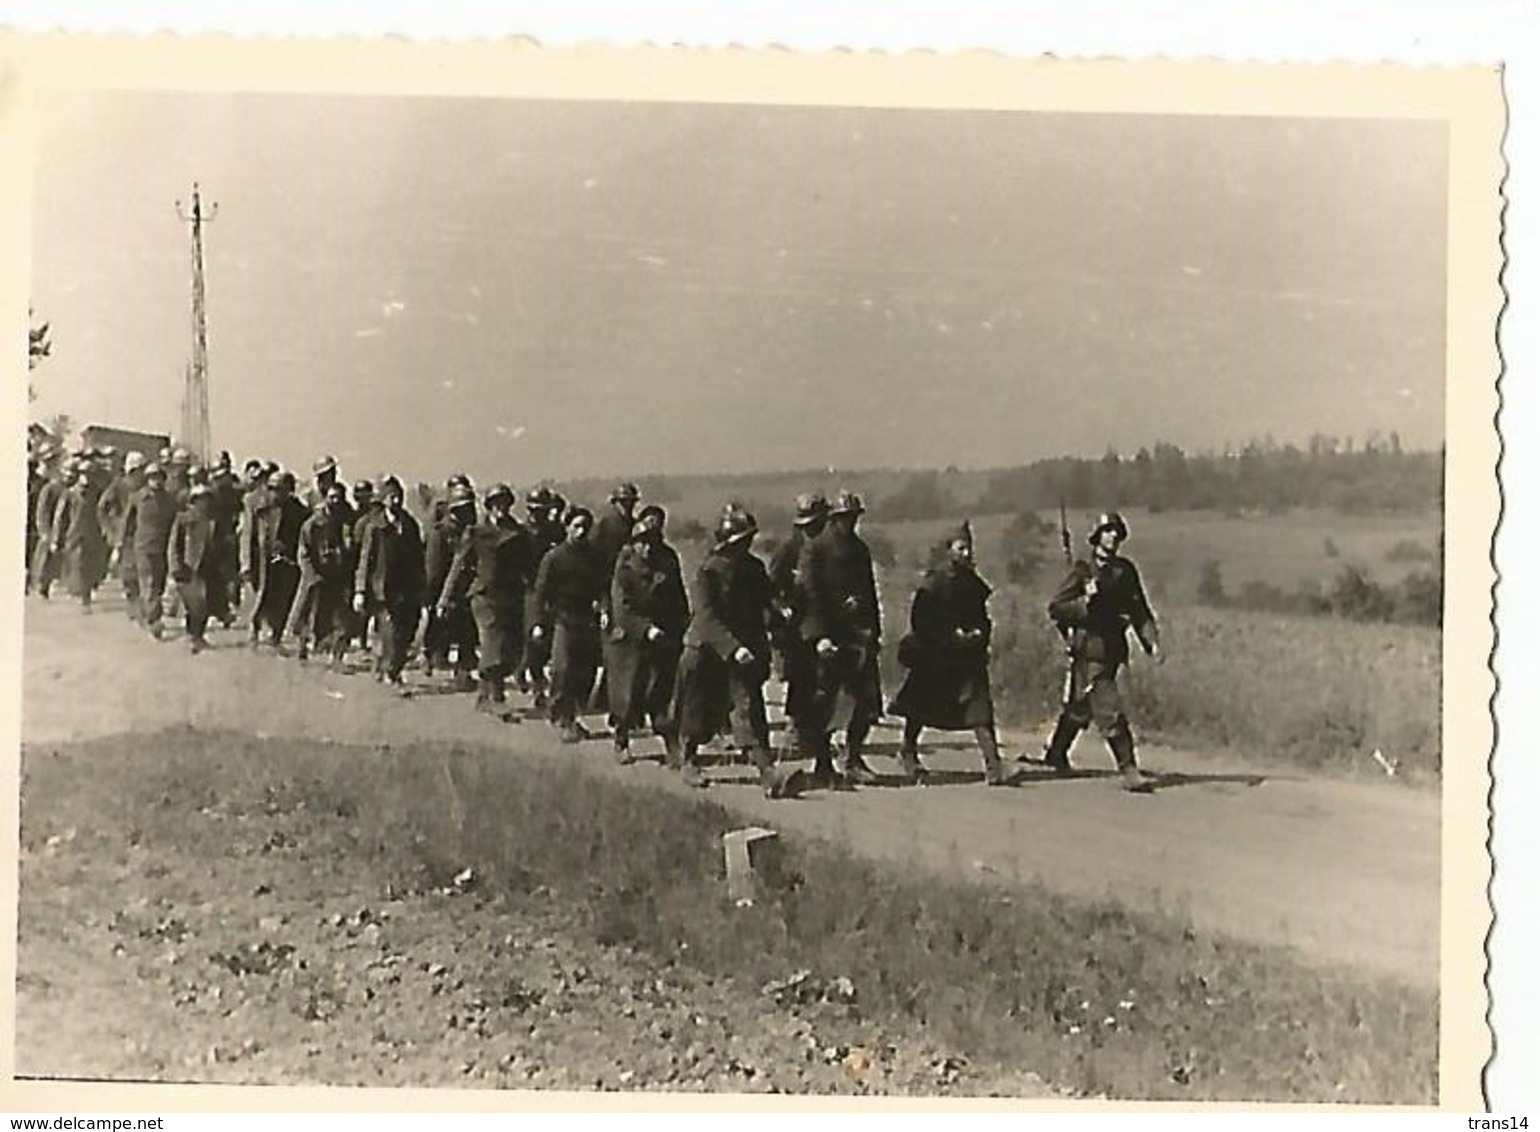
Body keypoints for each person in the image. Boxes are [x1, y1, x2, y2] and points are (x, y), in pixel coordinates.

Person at [668, 507, 790, 796]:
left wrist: (781, 613)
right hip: (706, 648)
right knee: (697, 708)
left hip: (742, 651)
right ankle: (689, 760)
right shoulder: (708, 572)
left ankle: (767, 772)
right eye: (741, 540)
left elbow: (767, 598)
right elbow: (706, 617)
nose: (746, 545)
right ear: (727, 542)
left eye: (748, 539)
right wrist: (733, 647)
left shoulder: (754, 569)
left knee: (748, 708)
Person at [1042, 511, 1165, 792]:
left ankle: (1056, 753)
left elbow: (1139, 610)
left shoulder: (1125, 571)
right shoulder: (1083, 570)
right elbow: (1056, 607)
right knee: (1109, 707)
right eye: (1107, 531)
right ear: (1096, 536)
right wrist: (1085, 600)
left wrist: (1151, 642)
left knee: (1080, 706)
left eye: (1116, 532)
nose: (1112, 537)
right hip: (1088, 649)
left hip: (1112, 649)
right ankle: (1128, 767)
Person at [888, 522, 1011, 786]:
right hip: (936, 657)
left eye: (969, 548)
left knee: (980, 709)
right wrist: (948, 636)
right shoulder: (934, 582)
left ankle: (993, 764)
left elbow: (982, 618)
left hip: (968, 657)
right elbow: (920, 620)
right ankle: (908, 751)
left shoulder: (973, 583)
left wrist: (979, 634)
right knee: (920, 707)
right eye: (961, 548)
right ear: (949, 550)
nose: (966, 553)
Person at [796, 489, 885, 787]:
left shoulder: (860, 550)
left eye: (854, 518)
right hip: (829, 638)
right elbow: (809, 595)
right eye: (844, 518)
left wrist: (874, 630)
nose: (849, 523)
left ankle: (853, 756)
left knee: (866, 703)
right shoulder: (815, 550)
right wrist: (819, 637)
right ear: (833, 519)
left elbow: (870, 592)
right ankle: (823, 764)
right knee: (826, 704)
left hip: (858, 637)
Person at [439, 483, 536, 715]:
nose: (500, 508)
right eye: (496, 504)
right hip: (483, 595)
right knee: (493, 642)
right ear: (489, 506)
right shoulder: (476, 532)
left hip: (511, 596)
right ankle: (493, 696)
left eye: (505, 503)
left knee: (511, 648)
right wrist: (445, 598)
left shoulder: (520, 534)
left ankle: (488, 693)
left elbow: (530, 567)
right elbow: (459, 566)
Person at [606, 504, 689, 763]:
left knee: (662, 692)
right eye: (642, 542)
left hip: (663, 635)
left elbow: (678, 597)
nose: (648, 548)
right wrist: (645, 629)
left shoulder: (668, 558)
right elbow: (621, 606)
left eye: (652, 541)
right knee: (627, 694)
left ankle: (671, 743)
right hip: (629, 638)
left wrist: (683, 626)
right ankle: (621, 740)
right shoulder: (625, 561)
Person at [532, 506, 606, 742]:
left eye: (585, 527)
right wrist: (538, 623)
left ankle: (573, 716)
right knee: (562, 670)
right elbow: (540, 593)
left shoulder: (594, 557)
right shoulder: (554, 557)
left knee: (585, 672)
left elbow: (603, 587)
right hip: (562, 618)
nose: (581, 531)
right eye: (576, 526)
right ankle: (561, 716)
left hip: (587, 619)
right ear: (567, 528)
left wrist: (604, 609)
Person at [768, 491, 829, 752]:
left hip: (824, 618)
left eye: (817, 524)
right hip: (796, 623)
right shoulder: (789, 549)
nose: (812, 530)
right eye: (807, 525)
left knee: (823, 677)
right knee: (800, 675)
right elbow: (770, 587)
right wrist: (782, 608)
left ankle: (817, 729)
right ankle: (795, 725)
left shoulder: (829, 547)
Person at [354, 475, 426, 687]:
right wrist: (360, 590)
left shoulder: (410, 525)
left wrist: (422, 588)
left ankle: (388, 667)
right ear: (384, 500)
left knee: (405, 633)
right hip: (382, 589)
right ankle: (389, 673)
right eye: (392, 497)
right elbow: (365, 560)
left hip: (407, 589)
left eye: (399, 497)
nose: (396, 501)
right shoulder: (375, 527)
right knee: (389, 632)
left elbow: (418, 558)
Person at [291, 480, 355, 667]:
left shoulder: (346, 521)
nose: (336, 502)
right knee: (309, 616)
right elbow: (303, 553)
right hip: (316, 579)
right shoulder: (312, 524)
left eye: (340, 498)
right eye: (332, 497)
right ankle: (303, 647)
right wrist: (312, 576)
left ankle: (337, 657)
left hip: (339, 577)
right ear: (326, 498)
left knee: (342, 620)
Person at [424, 477, 479, 687]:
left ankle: (463, 670)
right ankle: (432, 655)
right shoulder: (441, 533)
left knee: (467, 630)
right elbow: (434, 568)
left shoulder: (471, 532)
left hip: (465, 587)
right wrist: (433, 595)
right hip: (443, 587)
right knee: (438, 625)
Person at [246, 469, 308, 651]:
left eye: (279, 489)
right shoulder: (260, 509)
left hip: (286, 561)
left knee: (283, 599)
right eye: (271, 488)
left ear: (289, 490)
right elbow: (248, 537)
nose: (274, 493)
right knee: (261, 597)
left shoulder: (298, 510)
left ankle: (276, 637)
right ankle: (254, 630)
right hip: (262, 561)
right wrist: (246, 564)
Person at [518, 486, 565, 704]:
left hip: (554, 591)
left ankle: (530, 672)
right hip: (530, 590)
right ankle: (534, 682)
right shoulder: (522, 533)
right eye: (535, 510)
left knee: (547, 641)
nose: (538, 514)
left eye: (543, 510)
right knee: (534, 637)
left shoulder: (556, 532)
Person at [168, 483, 224, 653]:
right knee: (193, 604)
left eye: (207, 499)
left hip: (210, 566)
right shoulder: (184, 519)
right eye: (200, 499)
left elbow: (223, 545)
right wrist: (175, 564)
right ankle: (192, 635)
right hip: (189, 567)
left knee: (206, 604)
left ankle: (199, 635)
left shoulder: (214, 520)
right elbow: (174, 544)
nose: (204, 503)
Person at [128, 463, 178, 639]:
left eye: (159, 478)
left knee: (159, 585)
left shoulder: (170, 500)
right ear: (146, 479)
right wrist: (120, 546)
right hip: (144, 548)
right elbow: (128, 524)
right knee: (149, 584)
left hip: (164, 548)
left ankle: (145, 614)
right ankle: (154, 622)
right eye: (152, 478)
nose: (156, 481)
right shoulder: (137, 499)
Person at [53, 465, 110, 613]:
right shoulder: (70, 494)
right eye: (84, 474)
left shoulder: (97, 492)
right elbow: (61, 518)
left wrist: (106, 529)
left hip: (93, 535)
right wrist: (56, 538)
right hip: (74, 535)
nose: (87, 477)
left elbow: (104, 511)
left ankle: (87, 593)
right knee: (79, 565)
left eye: (90, 473)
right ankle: (84, 598)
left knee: (92, 567)